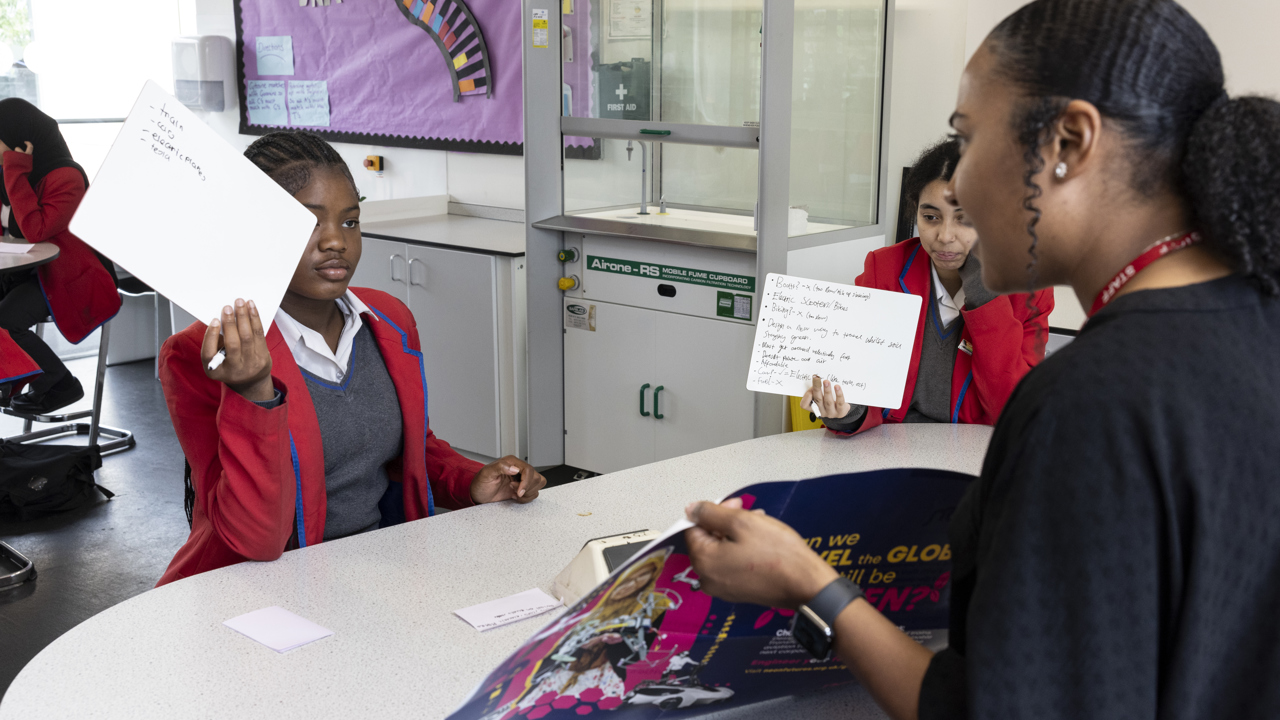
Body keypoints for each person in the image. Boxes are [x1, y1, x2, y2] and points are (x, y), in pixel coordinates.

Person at [684, 0, 1280, 718]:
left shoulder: (1089, 405)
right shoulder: (1250, 325)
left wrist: (809, 584)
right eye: (931, 210)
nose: (956, 191)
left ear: (1070, 141)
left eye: (968, 140)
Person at [156, 130, 546, 586]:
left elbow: (409, 449)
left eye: (350, 222)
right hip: (250, 591)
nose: (336, 241)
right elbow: (255, 540)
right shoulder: (201, 352)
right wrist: (253, 395)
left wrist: (470, 480)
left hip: (374, 574)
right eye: (309, 224)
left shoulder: (389, 319)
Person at [804, 138, 1053, 432]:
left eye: (966, 219)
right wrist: (847, 414)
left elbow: (1014, 410)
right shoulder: (883, 269)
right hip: (890, 445)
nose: (945, 236)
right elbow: (861, 385)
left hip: (977, 451)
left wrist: (984, 291)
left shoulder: (1029, 291)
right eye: (931, 217)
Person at [0, 98, 120, 413]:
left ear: (18, 141)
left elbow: (35, 229)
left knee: (5, 321)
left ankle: (59, 383)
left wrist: (15, 170)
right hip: (30, 272)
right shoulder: (8, 175)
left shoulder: (66, 177)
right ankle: (10, 381)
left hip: (69, 278)